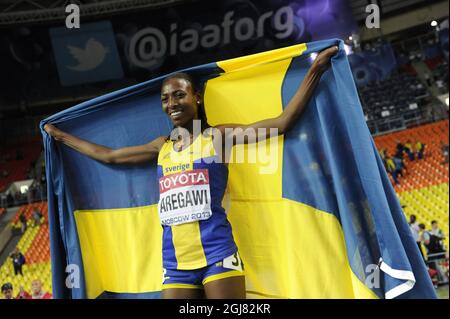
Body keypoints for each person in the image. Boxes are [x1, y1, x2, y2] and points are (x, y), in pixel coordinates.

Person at [44, 46, 339, 299]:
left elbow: (282, 122)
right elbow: (109, 156)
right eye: (165, 98)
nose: (172, 103)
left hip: (218, 253)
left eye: (179, 95)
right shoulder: (161, 146)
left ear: (196, 97)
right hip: (174, 262)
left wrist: (315, 70)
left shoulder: (216, 137)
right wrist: (59, 136)